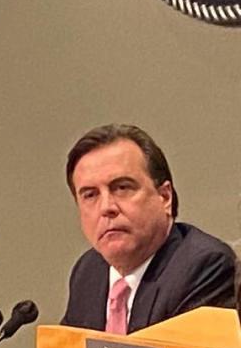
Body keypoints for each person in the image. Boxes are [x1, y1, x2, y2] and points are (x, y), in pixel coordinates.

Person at [60, 124, 235, 334]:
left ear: (165, 197)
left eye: (122, 187)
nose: (106, 207)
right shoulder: (89, 271)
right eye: (90, 195)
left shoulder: (204, 266)